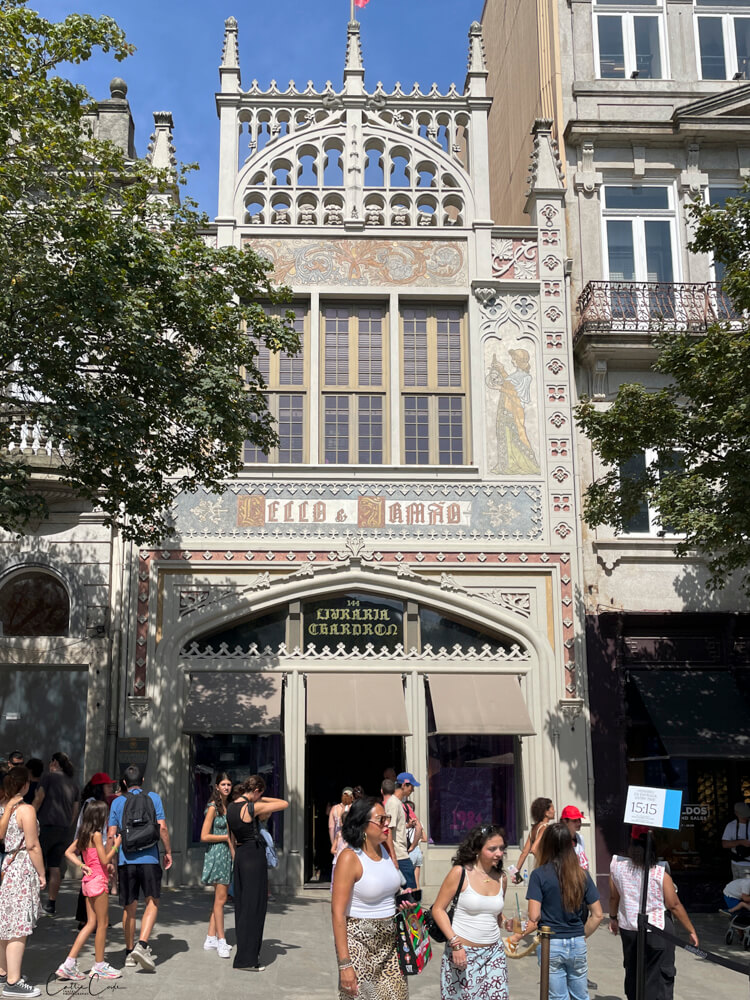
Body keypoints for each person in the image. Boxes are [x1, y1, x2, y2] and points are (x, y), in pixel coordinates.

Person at [509, 822, 603, 1000]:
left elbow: (534, 915)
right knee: (580, 995)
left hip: (551, 942)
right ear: (570, 844)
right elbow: (597, 914)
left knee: (558, 997)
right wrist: (581, 935)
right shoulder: (582, 874)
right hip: (576, 941)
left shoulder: (539, 875)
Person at [331, 795, 407, 1000]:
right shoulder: (349, 858)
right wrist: (344, 964)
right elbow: (337, 913)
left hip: (390, 943)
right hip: (359, 943)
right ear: (363, 825)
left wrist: (403, 902)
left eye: (387, 818)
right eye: (381, 820)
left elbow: (388, 891)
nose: (387, 825)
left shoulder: (384, 850)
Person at [609, 825, 698, 1000]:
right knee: (659, 975)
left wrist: (613, 918)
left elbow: (613, 897)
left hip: (629, 928)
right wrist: (691, 930)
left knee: (633, 970)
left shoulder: (617, 867)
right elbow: (674, 905)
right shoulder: (660, 873)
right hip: (657, 930)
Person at [431, 824, 509, 1000]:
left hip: (494, 954)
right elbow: (438, 909)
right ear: (477, 849)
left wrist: (506, 923)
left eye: (501, 848)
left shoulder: (502, 878)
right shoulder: (460, 873)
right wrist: (455, 944)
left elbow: (495, 915)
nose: (499, 853)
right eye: (492, 849)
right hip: (463, 954)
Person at [107, 765, 172, 972]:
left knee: (129, 906)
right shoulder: (153, 797)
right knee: (152, 901)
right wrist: (168, 851)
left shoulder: (117, 802)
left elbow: (111, 834)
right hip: (149, 859)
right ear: (143, 781)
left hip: (126, 861)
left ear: (124, 783)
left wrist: (109, 860)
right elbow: (162, 827)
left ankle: (128, 953)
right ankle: (142, 945)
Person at [226, 774, 288, 971]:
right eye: (260, 792)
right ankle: (248, 959)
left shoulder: (231, 807)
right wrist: (261, 798)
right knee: (256, 907)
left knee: (243, 906)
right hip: (254, 855)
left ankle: (244, 955)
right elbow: (284, 803)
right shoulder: (252, 807)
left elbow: (231, 837)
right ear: (256, 791)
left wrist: (254, 795)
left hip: (241, 855)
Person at [56, 801, 122, 981]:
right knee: (102, 923)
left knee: (90, 923)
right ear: (100, 817)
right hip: (98, 883)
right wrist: (117, 844)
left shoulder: (84, 835)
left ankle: (69, 964)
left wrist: (82, 865)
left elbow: (69, 852)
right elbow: (105, 857)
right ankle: (99, 965)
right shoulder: (96, 835)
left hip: (87, 882)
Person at [0, 766, 46, 998]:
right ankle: (12, 982)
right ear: (25, 784)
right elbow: (32, 845)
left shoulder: (3, 808)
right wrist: (42, 873)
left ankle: (3, 971)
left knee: (6, 921)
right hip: (21, 869)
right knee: (19, 926)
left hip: (7, 866)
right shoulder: (25, 810)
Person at [32, 751, 79, 916]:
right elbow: (75, 809)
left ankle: (32, 902)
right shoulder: (72, 784)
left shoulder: (48, 778)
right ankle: (51, 903)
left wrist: (30, 816)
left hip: (45, 826)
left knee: (35, 864)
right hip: (63, 829)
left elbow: (39, 798)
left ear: (54, 763)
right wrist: (67, 823)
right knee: (55, 867)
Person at [74, 774, 115, 929]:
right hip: (92, 848)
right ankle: (86, 919)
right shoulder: (91, 804)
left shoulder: (101, 803)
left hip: (100, 846)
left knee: (98, 883)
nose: (110, 788)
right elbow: (82, 826)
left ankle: (98, 918)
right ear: (99, 787)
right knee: (92, 881)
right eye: (108, 785)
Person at [201, 773, 233, 958]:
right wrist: (225, 838)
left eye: (229, 784)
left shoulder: (228, 805)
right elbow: (204, 836)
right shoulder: (213, 807)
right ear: (217, 786)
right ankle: (222, 940)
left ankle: (210, 937)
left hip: (226, 855)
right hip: (217, 854)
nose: (227, 787)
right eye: (223, 784)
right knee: (221, 900)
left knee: (219, 899)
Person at [384, 772, 420, 889]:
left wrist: (407, 826)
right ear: (404, 785)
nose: (413, 790)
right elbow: (388, 829)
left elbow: (395, 827)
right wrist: (393, 856)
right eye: (412, 787)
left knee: (408, 892)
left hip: (400, 853)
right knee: (411, 892)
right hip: (399, 855)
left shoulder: (398, 803)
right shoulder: (393, 803)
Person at [514, 797, 555, 884]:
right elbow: (534, 848)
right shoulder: (545, 827)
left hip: (539, 868)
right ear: (546, 813)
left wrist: (515, 872)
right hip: (548, 869)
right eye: (552, 808)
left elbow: (524, 852)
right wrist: (547, 863)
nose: (554, 811)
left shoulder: (534, 828)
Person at [329, 787, 354, 883]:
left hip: (338, 840)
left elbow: (331, 827)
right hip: (351, 840)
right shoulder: (354, 808)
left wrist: (334, 844)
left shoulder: (334, 809)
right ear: (352, 797)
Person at [403, 798, 426, 890]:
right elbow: (425, 838)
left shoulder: (404, 824)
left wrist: (411, 845)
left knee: (409, 882)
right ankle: (417, 903)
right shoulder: (418, 823)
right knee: (416, 882)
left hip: (410, 851)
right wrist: (417, 841)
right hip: (418, 852)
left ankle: (410, 901)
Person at [721, 801, 750, 875]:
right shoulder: (731, 825)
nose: (745, 817)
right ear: (736, 813)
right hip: (735, 863)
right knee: (737, 885)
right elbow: (724, 844)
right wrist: (741, 842)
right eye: (743, 815)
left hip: (748, 865)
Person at [561, 805, 589, 871]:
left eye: (579, 819)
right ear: (565, 821)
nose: (579, 823)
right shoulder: (560, 840)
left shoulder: (580, 838)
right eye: (574, 821)